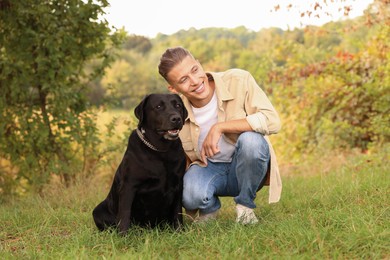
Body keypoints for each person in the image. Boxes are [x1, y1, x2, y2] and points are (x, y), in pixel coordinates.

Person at [158, 46, 282, 224]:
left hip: (247, 166)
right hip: (210, 169)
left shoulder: (238, 80)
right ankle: (209, 209)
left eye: (195, 70)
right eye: (184, 79)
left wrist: (220, 127)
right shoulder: (175, 112)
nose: (194, 81)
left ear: (199, 64)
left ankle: (245, 207)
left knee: (252, 141)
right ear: (173, 88)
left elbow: (272, 121)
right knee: (190, 194)